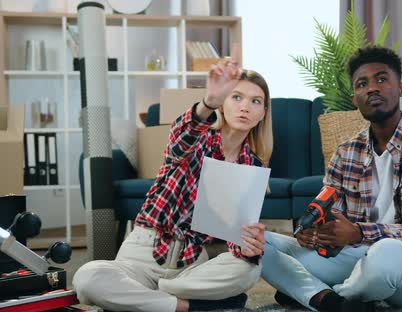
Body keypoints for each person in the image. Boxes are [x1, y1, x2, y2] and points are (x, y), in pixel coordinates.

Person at [73, 55, 273, 312]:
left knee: (248, 270)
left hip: (190, 267)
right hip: (143, 252)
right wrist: (208, 102)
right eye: (237, 97)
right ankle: (189, 307)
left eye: (255, 101)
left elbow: (233, 234)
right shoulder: (197, 138)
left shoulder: (252, 167)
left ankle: (148, 300)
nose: (245, 106)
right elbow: (183, 134)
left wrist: (248, 248)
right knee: (87, 277)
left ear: (263, 112)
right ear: (223, 104)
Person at [261, 46, 402, 311]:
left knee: (384, 254)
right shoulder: (346, 151)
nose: (372, 88)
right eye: (363, 84)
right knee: (260, 242)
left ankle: (315, 293)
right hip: (352, 258)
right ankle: (331, 301)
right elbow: (330, 215)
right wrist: (314, 232)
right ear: (355, 98)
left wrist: (359, 232)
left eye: (382, 79)